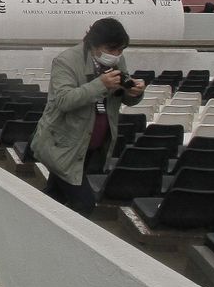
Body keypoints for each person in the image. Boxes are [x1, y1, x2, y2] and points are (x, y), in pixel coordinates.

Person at [29, 17, 144, 216]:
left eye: (120, 50)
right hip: (64, 144)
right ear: (93, 45)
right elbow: (64, 100)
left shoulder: (117, 60)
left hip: (90, 145)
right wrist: (101, 84)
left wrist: (134, 92)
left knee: (55, 195)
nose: (116, 55)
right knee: (84, 203)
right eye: (111, 49)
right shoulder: (66, 61)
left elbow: (123, 97)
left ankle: (29, 224)